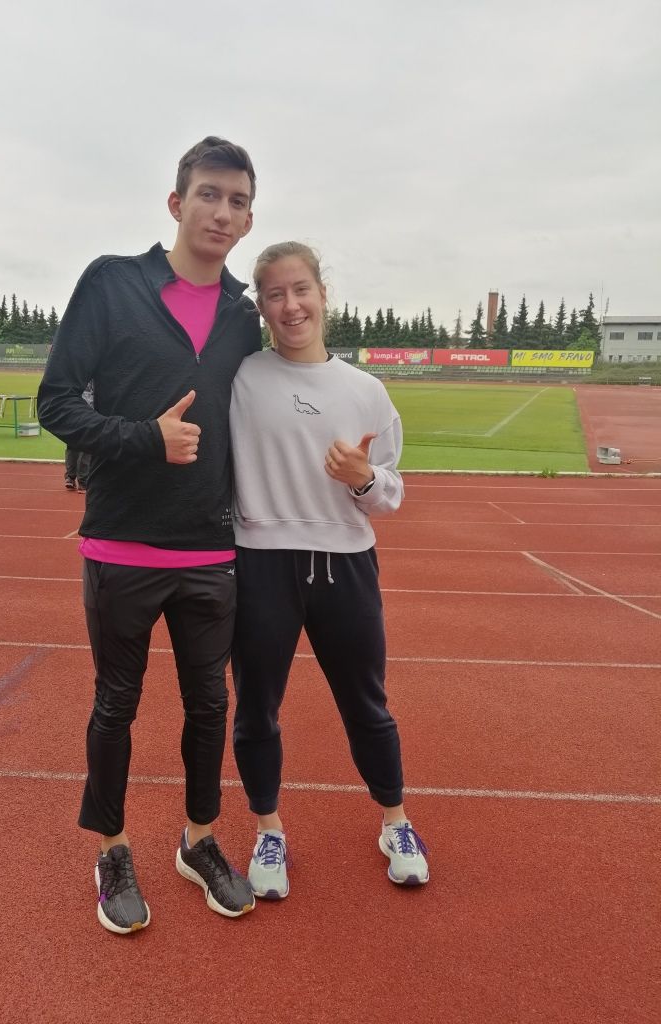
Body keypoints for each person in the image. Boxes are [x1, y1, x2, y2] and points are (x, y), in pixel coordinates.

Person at [37, 137, 261, 933]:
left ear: (249, 218)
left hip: (211, 547)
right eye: (209, 194)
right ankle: (113, 849)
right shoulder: (113, 282)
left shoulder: (243, 316)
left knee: (211, 704)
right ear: (177, 202)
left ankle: (199, 840)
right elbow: (56, 402)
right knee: (116, 706)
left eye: (238, 201)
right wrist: (144, 439)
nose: (222, 212)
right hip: (122, 543)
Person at [229, 242, 429, 900]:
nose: (291, 306)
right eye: (275, 294)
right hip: (261, 564)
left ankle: (395, 823)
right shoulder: (241, 377)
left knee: (367, 705)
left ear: (322, 295)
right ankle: (268, 830)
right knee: (257, 709)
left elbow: (390, 492)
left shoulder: (366, 391)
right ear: (261, 307)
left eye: (301, 290)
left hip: (346, 566)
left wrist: (364, 478)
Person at [64, 382, 94, 491]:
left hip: (73, 413)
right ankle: (83, 482)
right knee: (86, 448)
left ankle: (70, 477)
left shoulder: (73, 376)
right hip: (87, 414)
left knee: (72, 446)